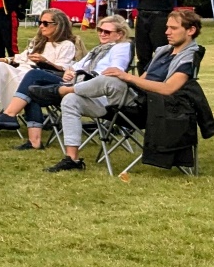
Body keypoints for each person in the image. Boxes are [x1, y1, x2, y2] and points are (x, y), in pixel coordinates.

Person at [48, 10, 201, 172]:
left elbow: (168, 89)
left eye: (173, 28)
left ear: (190, 30)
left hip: (155, 108)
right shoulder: (164, 51)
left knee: (110, 79)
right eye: (167, 27)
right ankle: (72, 159)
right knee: (71, 100)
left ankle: (63, 90)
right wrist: (130, 81)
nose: (167, 32)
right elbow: (143, 79)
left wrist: (127, 77)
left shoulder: (189, 57)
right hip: (133, 101)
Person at [0, 14, 132, 151]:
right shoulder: (98, 50)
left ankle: (9, 115)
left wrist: (87, 76)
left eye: (107, 32)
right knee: (33, 88)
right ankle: (34, 141)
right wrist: (70, 71)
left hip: (92, 90)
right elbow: (75, 67)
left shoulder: (121, 47)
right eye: (100, 30)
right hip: (75, 82)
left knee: (34, 75)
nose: (102, 34)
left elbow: (116, 71)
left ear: (119, 34)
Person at [0, 8, 82, 139]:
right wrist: (0, 59)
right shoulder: (38, 42)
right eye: (40, 22)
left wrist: (45, 61)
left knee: (1, 77)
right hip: (22, 71)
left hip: (39, 78)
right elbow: (20, 58)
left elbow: (63, 69)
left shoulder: (65, 45)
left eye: (45, 23)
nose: (41, 26)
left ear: (58, 25)